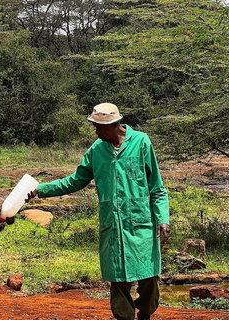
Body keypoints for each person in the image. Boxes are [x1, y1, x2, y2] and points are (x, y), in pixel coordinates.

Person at [26, 103, 170, 320]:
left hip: (141, 225)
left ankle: (146, 314)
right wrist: (40, 189)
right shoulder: (96, 150)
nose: (96, 132)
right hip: (112, 227)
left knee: (148, 276)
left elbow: (157, 188)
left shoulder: (141, 143)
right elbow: (75, 181)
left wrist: (163, 219)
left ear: (114, 125)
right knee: (118, 279)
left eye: (99, 127)